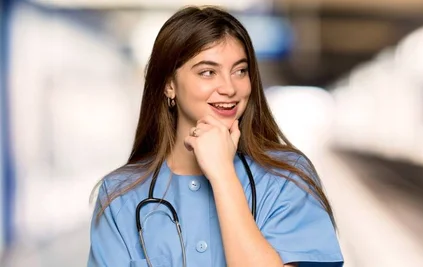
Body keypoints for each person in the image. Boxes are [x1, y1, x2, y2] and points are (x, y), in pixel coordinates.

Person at [87, 6, 343, 267]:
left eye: (240, 71)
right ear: (169, 84)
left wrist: (222, 173)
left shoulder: (287, 179)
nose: (229, 88)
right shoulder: (119, 194)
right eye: (208, 72)